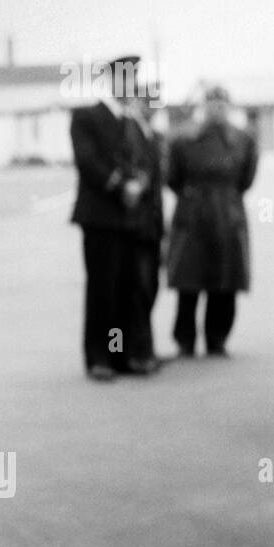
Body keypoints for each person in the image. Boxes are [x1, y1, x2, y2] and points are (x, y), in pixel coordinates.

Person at [68, 55, 164, 380]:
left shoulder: (133, 122)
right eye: (125, 79)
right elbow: (87, 161)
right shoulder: (87, 116)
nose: (130, 86)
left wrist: (140, 185)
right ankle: (99, 358)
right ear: (110, 82)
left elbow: (148, 163)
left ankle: (119, 354)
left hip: (130, 221)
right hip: (101, 218)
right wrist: (121, 186)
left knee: (126, 292)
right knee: (103, 292)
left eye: (133, 80)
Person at [166, 84, 258, 357]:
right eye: (211, 103)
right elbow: (173, 178)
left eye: (222, 103)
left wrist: (225, 197)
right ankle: (185, 340)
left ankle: (217, 339)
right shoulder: (183, 140)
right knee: (188, 281)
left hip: (228, 214)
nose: (216, 109)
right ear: (203, 106)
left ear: (229, 107)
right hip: (192, 213)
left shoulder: (243, 140)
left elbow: (247, 179)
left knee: (225, 280)